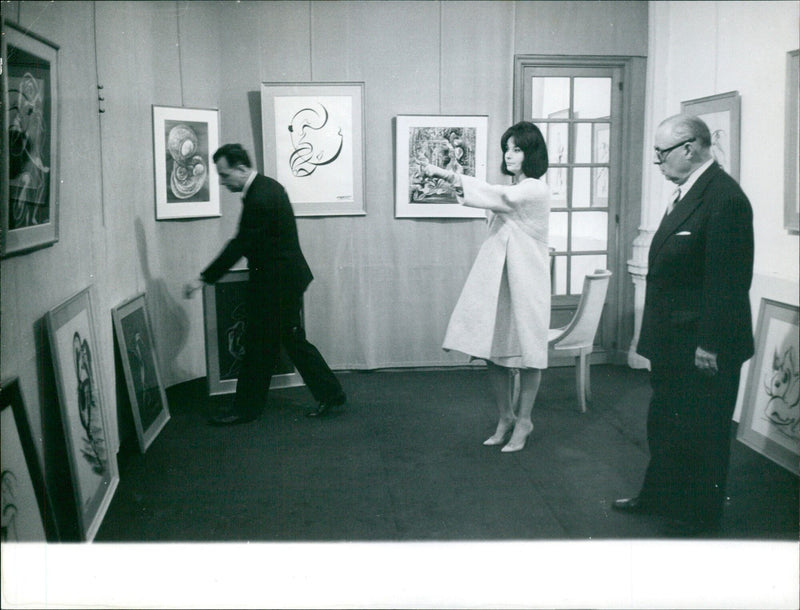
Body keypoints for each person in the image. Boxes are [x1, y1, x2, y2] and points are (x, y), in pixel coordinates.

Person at [612, 114, 754, 536]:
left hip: (702, 345)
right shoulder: (687, 192)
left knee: (704, 433)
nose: (657, 161)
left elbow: (727, 281)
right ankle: (658, 496)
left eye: (661, 153)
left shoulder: (725, 198)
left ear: (689, 148)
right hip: (674, 340)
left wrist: (709, 344)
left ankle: (698, 517)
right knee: (666, 423)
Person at [188, 144, 346, 425]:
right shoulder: (266, 187)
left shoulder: (260, 196)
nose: (223, 182)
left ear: (241, 168)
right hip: (282, 279)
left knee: (263, 345)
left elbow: (240, 244)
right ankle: (330, 394)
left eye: (224, 175)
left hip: (278, 283)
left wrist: (205, 277)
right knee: (283, 342)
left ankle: (246, 409)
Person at [422, 121, 550, 453]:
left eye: (517, 149)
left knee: (529, 355)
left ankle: (525, 421)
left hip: (528, 281)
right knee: (495, 353)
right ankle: (505, 417)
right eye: (507, 148)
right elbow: (497, 197)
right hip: (501, 281)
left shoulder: (535, 188)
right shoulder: (512, 189)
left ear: (531, 153)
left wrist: (448, 174)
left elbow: (503, 196)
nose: (509, 155)